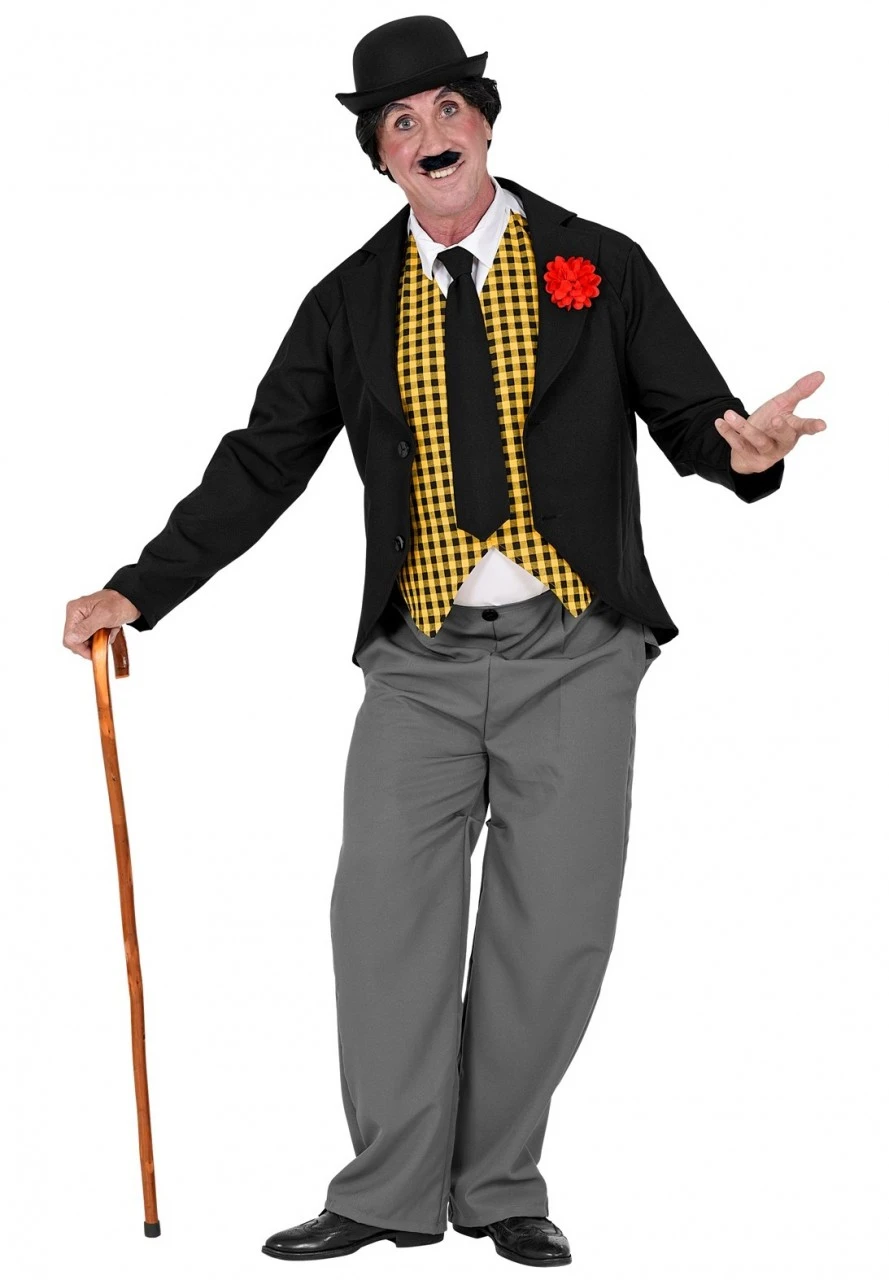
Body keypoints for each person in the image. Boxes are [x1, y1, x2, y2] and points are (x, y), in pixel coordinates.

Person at [63, 15, 826, 1268]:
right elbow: (262, 462)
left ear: (485, 121)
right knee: (381, 915)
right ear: (379, 156)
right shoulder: (348, 301)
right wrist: (136, 589)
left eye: (446, 110)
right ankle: (386, 1188)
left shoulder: (597, 261)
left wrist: (745, 451)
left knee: (554, 926)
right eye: (399, 123)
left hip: (574, 645)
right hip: (418, 658)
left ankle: (497, 1180)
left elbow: (698, 417)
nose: (428, 136)